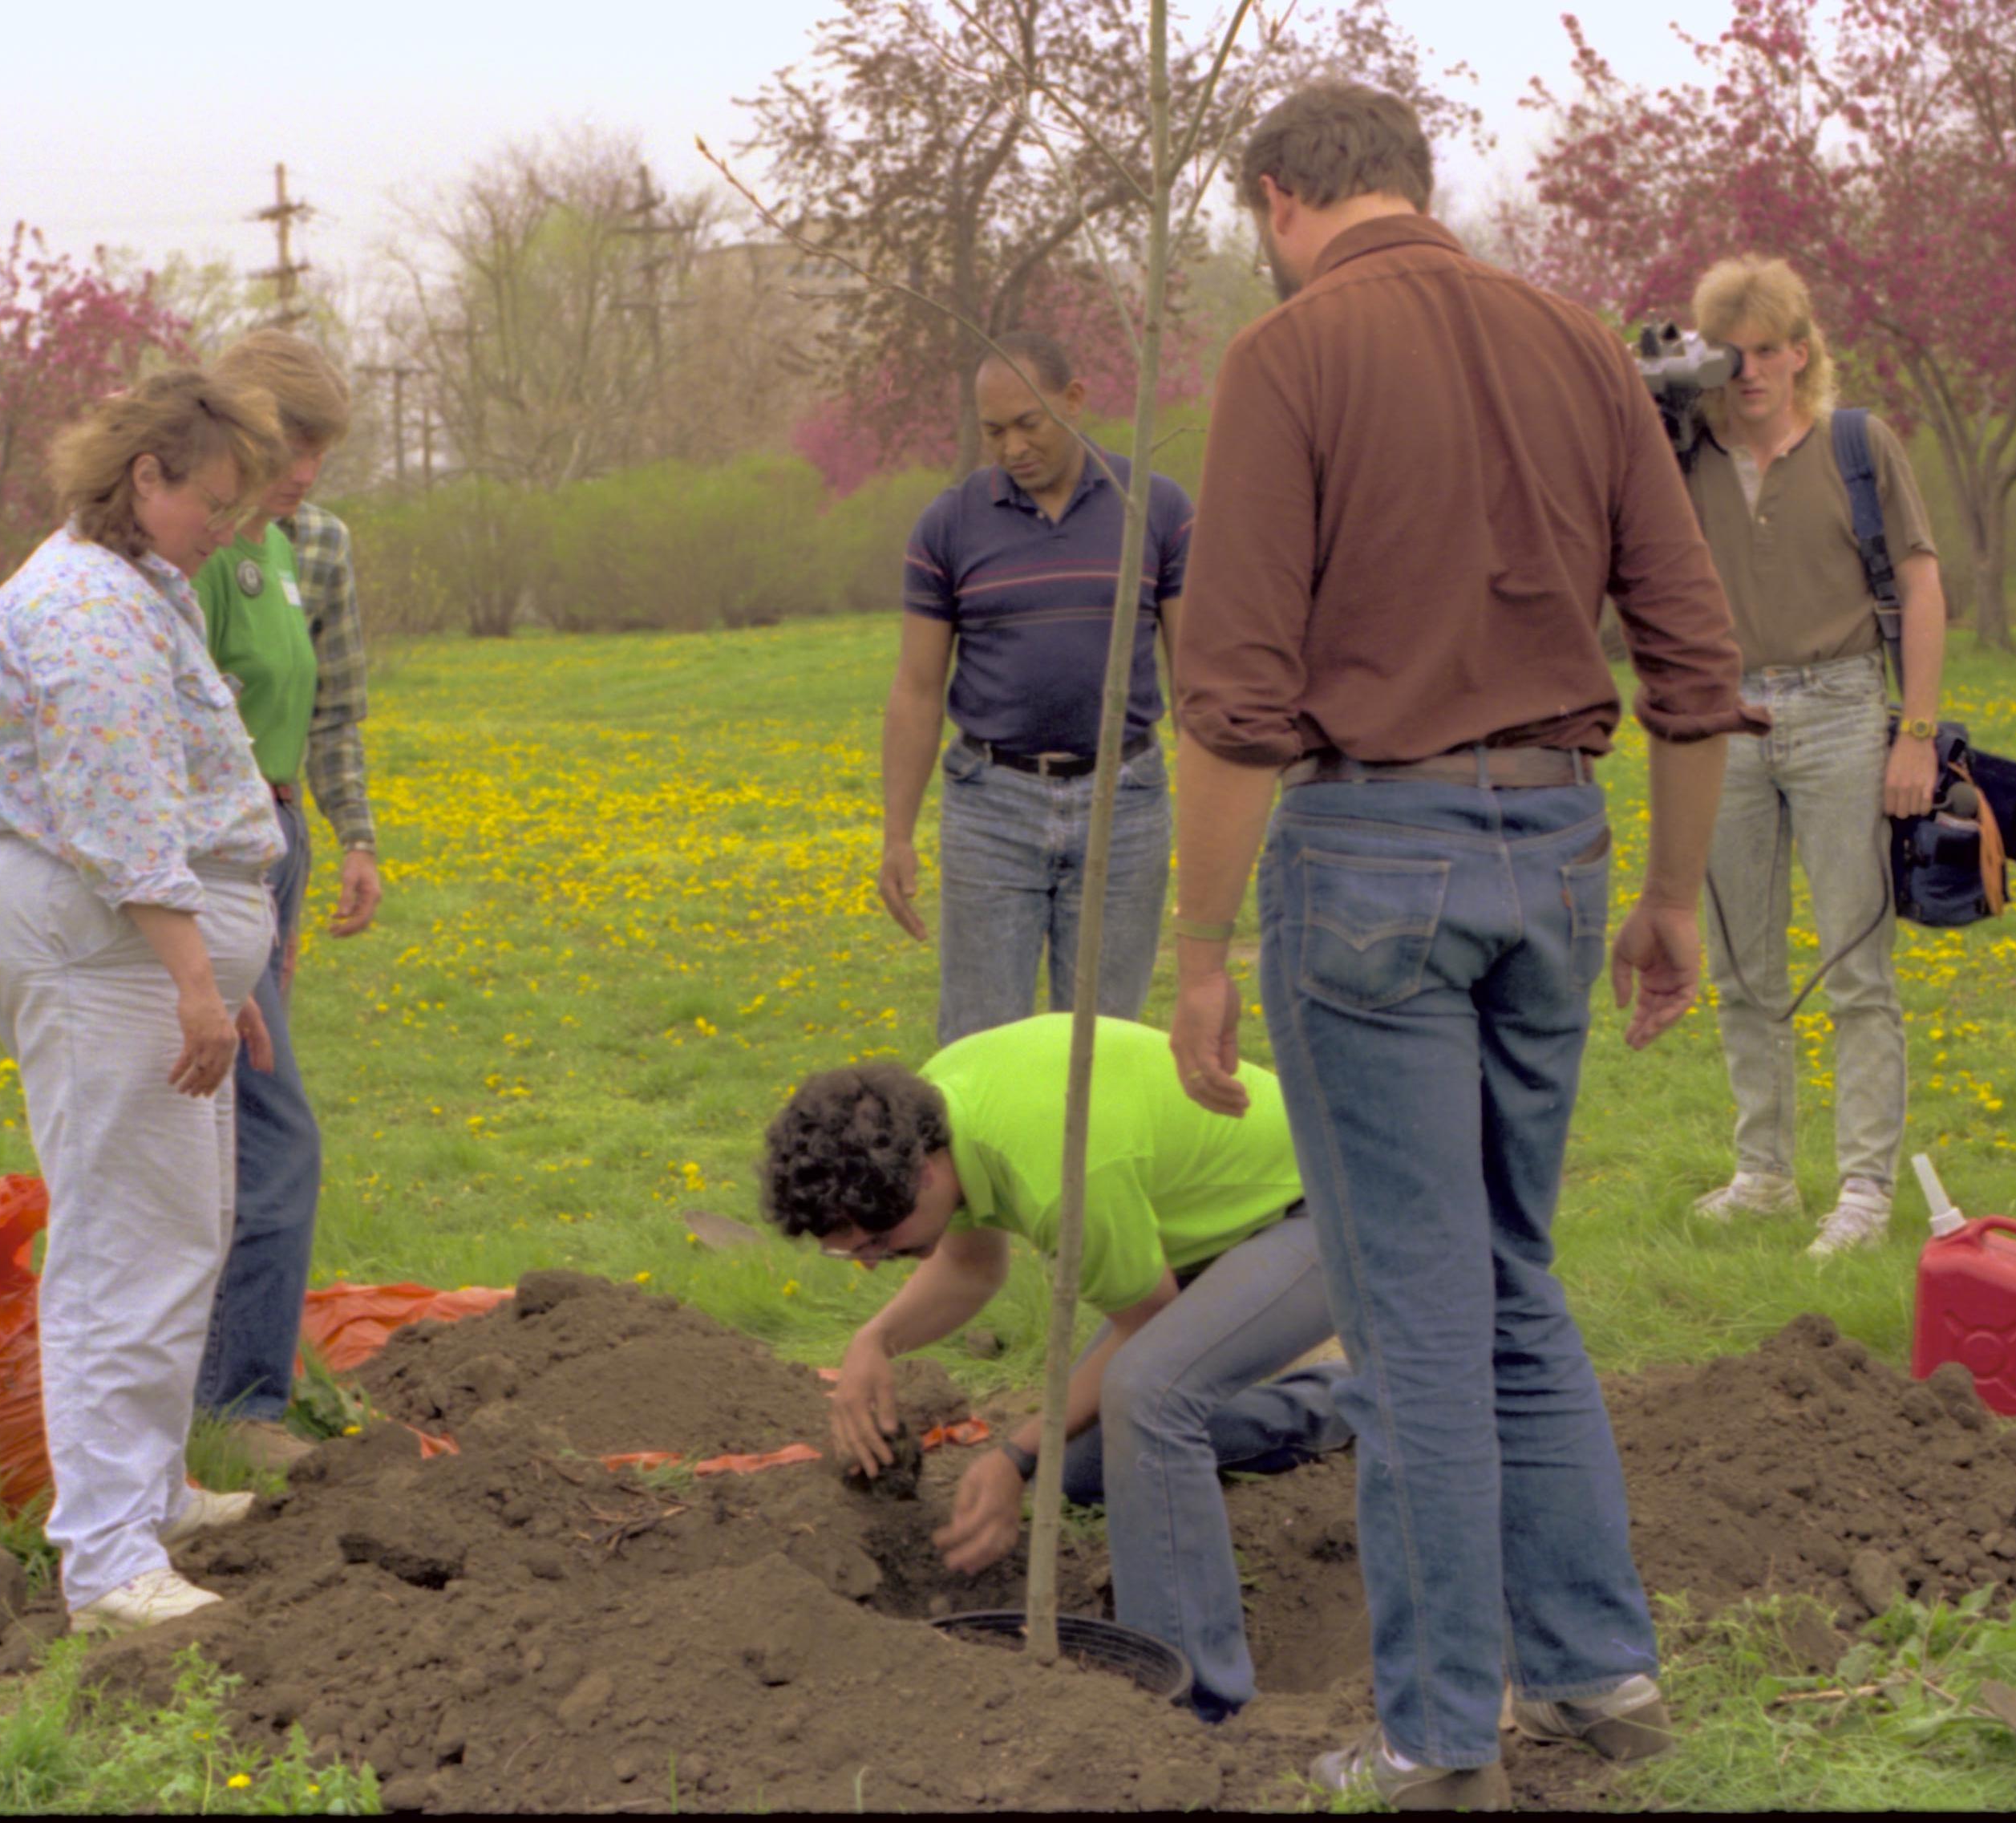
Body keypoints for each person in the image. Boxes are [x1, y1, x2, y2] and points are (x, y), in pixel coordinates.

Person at [1166, 82, 1765, 1807]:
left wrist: (1199, 942)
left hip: (1374, 855)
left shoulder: (1291, 358)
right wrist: (1668, 895)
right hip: (1561, 848)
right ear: (1418, 184)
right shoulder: (1582, 347)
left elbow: (1233, 695)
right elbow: (1692, 651)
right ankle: (1599, 1669)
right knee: (1510, 1272)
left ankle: (1437, 1728)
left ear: (1280, 199)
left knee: (1411, 1306)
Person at [0, 370, 287, 1634]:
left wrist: (223, 984)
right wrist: (196, 976)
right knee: (122, 1250)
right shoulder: (88, 613)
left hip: (137, 953)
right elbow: (124, 818)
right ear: (146, 476)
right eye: (211, 499)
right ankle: (103, 1560)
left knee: (181, 1229)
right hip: (101, 949)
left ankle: (148, 1492)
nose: (225, 526)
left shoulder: (133, 583)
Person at [758, 1014, 1350, 1722]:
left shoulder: (1056, 1171)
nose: (873, 1262)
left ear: (925, 1171)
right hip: (1202, 1224)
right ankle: (1343, 1405)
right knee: (1078, 1461)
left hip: (1324, 1205)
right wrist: (873, 1342)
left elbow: (1147, 1330)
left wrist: (1011, 1455)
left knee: (1148, 1398)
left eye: (882, 1242)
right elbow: (974, 1270)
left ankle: (1193, 1703)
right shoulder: (939, 1111)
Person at [1674, 256, 1947, 1255]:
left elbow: (1921, 587)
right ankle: (1764, 1173)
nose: (1748, 371)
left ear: (1800, 352)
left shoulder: (1855, 443)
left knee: (1855, 966)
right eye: (1728, 353)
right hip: (1727, 714)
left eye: (1766, 350)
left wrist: (1912, 732)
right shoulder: (1684, 455)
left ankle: (1866, 1187)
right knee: (1744, 964)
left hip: (1839, 706)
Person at [878, 330, 1193, 1045]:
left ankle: (1083, 1164)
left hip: (1126, 801)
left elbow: (1197, 678)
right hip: (992, 808)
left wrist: (1212, 826)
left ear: (1074, 400)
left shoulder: (1157, 509)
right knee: (981, 1046)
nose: (1012, 447)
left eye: (1028, 423)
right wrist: (897, 834)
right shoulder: (948, 525)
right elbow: (917, 689)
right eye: (993, 431)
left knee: (1105, 1046)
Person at [190, 330, 383, 1472]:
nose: (307, 468)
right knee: (272, 1126)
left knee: (249, 1110)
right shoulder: (199, 545)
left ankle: (221, 1384)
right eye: (293, 441)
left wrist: (350, 835)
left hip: (280, 838)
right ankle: (242, 1404)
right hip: (212, 847)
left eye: (322, 448)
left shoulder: (319, 544)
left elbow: (333, 709)